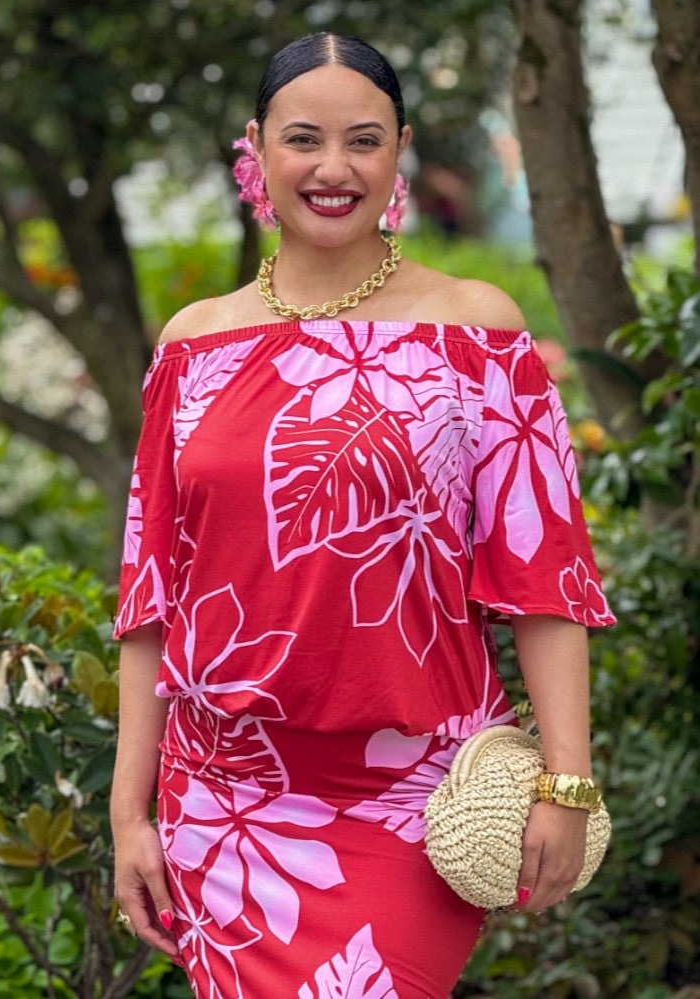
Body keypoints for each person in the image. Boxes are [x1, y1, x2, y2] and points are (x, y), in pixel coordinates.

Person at [110, 32, 615, 999]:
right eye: (304, 139)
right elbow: (151, 596)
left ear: (400, 151)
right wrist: (130, 812)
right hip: (223, 794)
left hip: (416, 795)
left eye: (364, 141)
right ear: (257, 147)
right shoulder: (191, 346)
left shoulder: (477, 332)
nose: (333, 169)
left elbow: (544, 577)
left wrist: (567, 782)